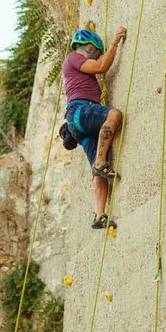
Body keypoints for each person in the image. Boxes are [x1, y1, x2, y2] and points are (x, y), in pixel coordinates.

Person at [59, 26, 127, 230]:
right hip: (81, 110)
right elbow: (100, 67)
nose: (97, 56)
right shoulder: (73, 58)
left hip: (78, 125)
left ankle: (100, 214)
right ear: (89, 47)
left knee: (99, 174)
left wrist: (89, 24)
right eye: (96, 52)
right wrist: (115, 43)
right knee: (114, 115)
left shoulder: (73, 66)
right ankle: (100, 161)